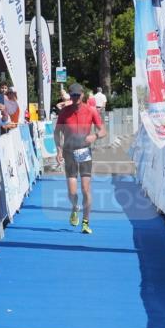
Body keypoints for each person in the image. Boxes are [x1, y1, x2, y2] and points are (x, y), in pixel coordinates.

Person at [54, 83, 106, 235]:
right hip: (68, 152)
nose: (75, 97)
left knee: (85, 188)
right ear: (70, 95)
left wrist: (94, 136)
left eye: (78, 95)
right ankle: (75, 207)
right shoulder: (64, 112)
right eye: (73, 95)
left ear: (82, 95)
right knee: (72, 192)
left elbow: (103, 130)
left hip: (84, 151)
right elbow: (57, 133)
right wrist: (58, 149)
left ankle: (85, 222)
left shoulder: (90, 110)